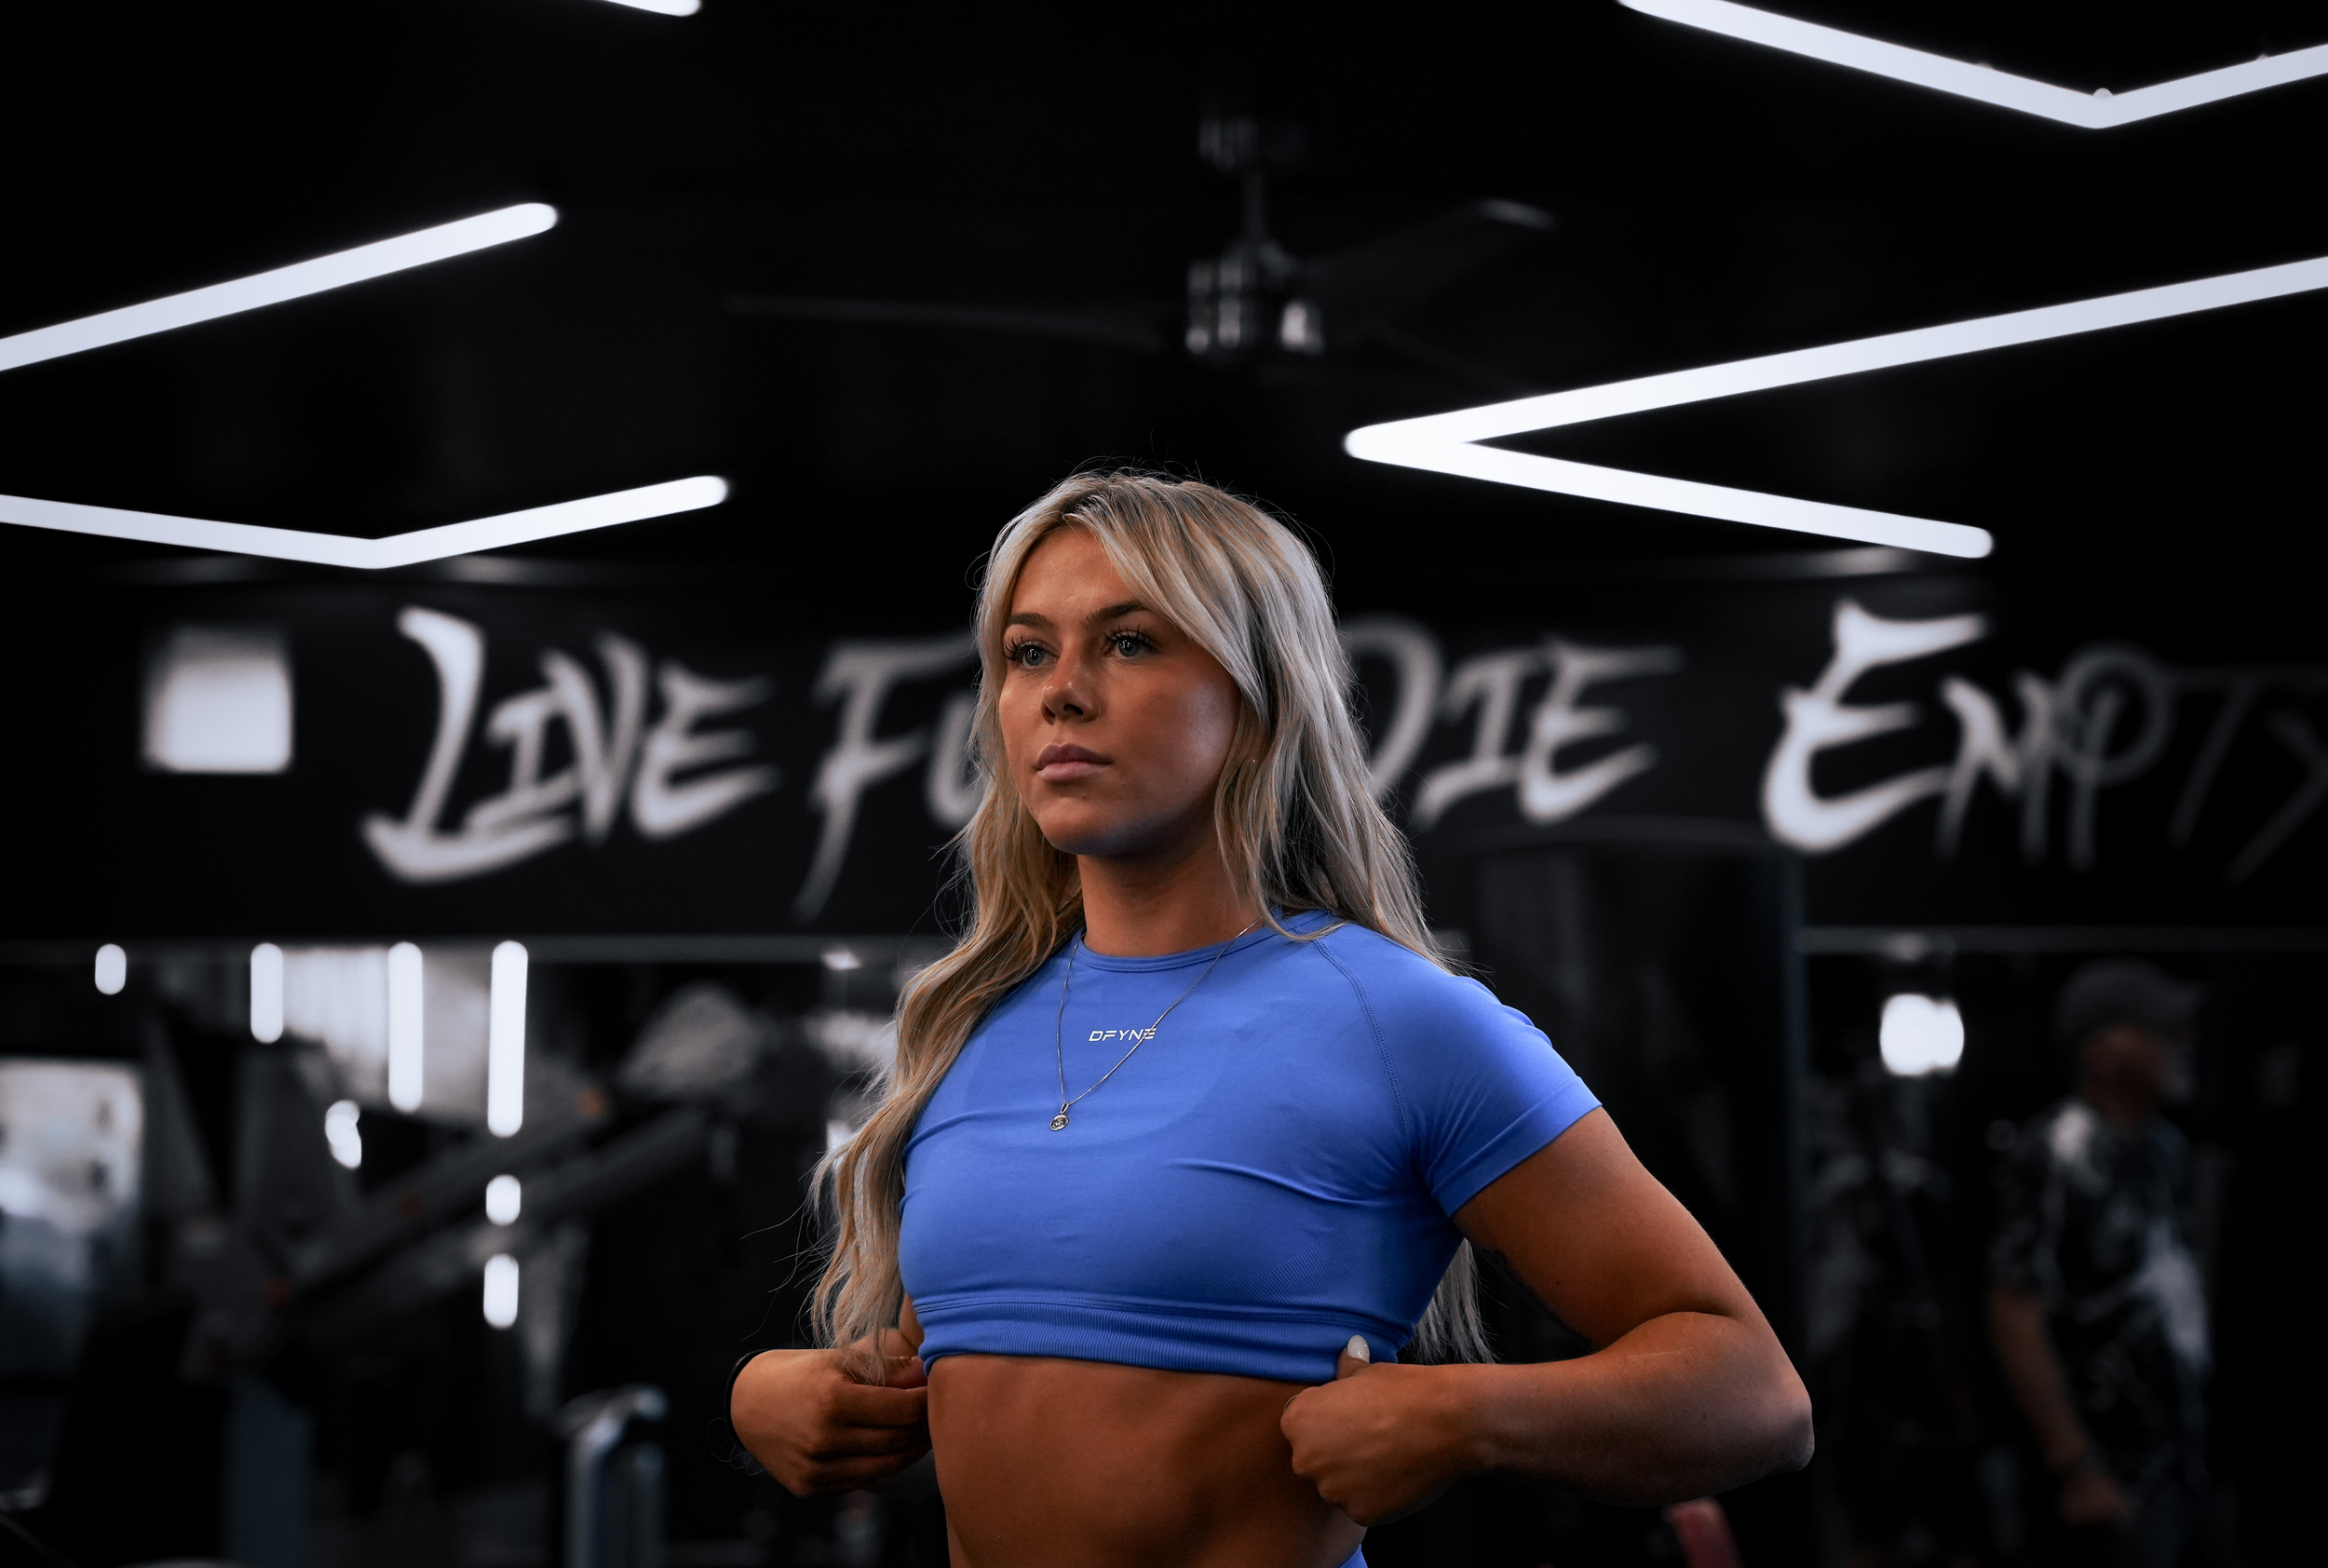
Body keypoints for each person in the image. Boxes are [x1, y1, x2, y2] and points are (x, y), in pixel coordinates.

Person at [731, 472, 1811, 1568]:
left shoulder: (1398, 1020)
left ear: (1255, 701)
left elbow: (1754, 1393)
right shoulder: (971, 1019)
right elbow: (999, 1352)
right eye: (1026, 651)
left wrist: (1467, 1415)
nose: (1060, 692)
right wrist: (778, 1391)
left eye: (1130, 642)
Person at [1988, 959, 2228, 1568]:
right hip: (2112, 1472)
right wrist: (2076, 1465)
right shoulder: (2055, 1152)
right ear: (2103, 1049)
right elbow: (2015, 1310)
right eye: (2160, 1029)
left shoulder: (2164, 1149)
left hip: (2182, 1462)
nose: (2183, 1043)